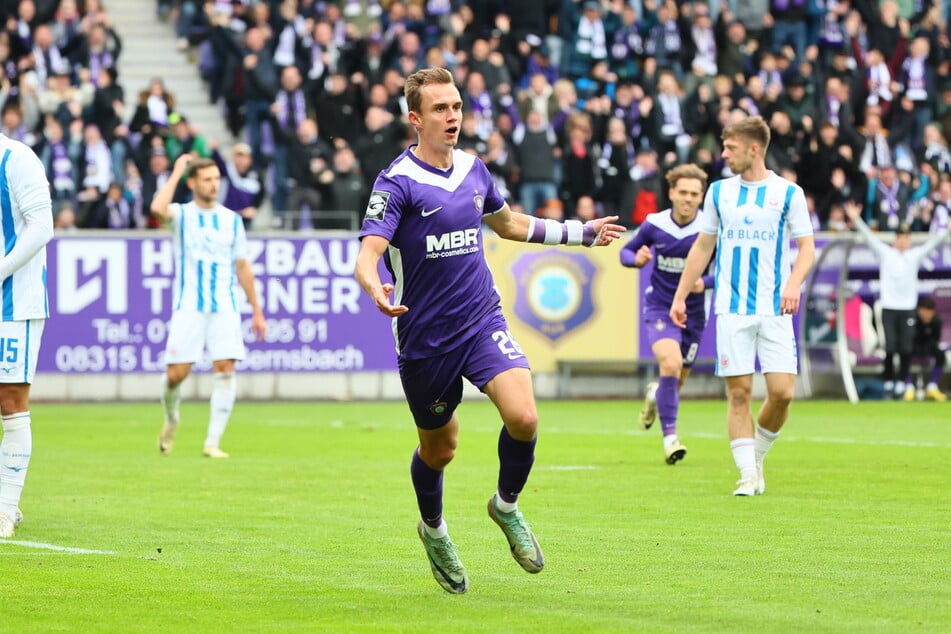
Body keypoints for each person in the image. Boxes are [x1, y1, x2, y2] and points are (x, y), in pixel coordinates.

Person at [354, 67, 624, 594]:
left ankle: (506, 506)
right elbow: (368, 253)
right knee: (441, 450)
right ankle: (433, 530)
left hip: (481, 318)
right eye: (440, 109)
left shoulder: (475, 169)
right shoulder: (396, 182)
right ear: (416, 119)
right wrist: (373, 286)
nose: (452, 116)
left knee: (523, 416)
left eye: (456, 106)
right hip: (426, 339)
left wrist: (579, 233)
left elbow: (509, 225)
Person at [670, 116, 816, 497]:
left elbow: (806, 249)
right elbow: (703, 246)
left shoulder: (788, 194)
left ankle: (757, 458)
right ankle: (747, 475)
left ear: (754, 148)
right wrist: (682, 294)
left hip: (774, 308)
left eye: (730, 148)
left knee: (783, 393)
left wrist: (793, 284)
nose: (724, 154)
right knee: (739, 394)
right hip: (731, 309)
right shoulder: (719, 192)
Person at [149, 153, 267, 459]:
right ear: (193, 183)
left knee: (225, 367)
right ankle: (172, 417)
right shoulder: (181, 215)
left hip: (225, 306)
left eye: (216, 179)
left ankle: (212, 442)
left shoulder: (231, 220)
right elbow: (156, 209)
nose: (214, 184)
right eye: (207, 179)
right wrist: (175, 171)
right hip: (188, 305)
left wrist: (256, 310)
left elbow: (242, 266)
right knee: (176, 375)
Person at [619, 164, 712, 465]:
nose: (688, 198)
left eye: (694, 194)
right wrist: (637, 258)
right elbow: (625, 252)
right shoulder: (655, 224)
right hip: (659, 306)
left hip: (694, 313)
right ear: (671, 193)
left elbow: (727, 271)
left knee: (675, 380)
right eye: (683, 192)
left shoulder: (710, 230)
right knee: (670, 363)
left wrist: (704, 282)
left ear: (702, 198)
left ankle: (654, 395)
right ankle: (671, 439)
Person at [0, 133, 55, 538]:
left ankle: (3, 510)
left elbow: (42, 228)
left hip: (13, 302)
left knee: (10, 399)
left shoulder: (16, 158)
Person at [843, 201, 950, 400]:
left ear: (909, 241)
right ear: (895, 240)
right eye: (899, 238)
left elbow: (933, 243)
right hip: (890, 307)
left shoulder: (914, 255)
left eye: (906, 238)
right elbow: (869, 237)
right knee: (891, 347)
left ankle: (903, 383)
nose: (902, 241)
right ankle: (890, 382)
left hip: (907, 308)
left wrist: (946, 232)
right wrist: (856, 219)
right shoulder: (887, 253)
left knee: (906, 348)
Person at [907, 295, 948, 401]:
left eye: (930, 312)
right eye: (924, 312)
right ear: (919, 310)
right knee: (904, 352)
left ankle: (932, 386)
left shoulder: (936, 322)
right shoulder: (912, 320)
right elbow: (909, 338)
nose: (927, 315)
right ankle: (908, 387)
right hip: (914, 346)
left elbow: (935, 339)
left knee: (940, 354)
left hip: (929, 347)